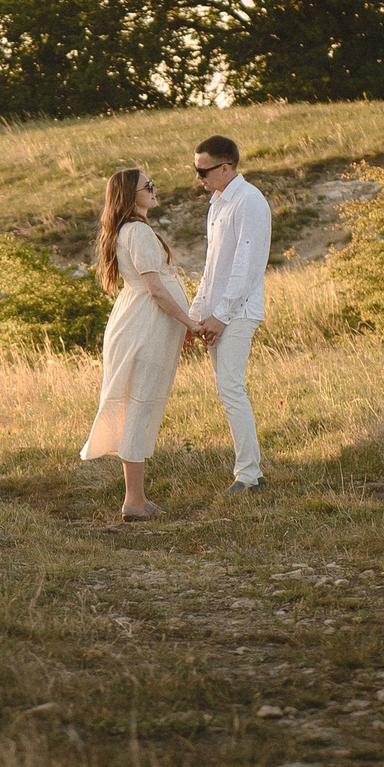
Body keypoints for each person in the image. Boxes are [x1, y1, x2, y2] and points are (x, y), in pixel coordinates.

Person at [79, 167, 202, 520]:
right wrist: (190, 323)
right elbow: (156, 289)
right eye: (148, 186)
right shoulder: (138, 232)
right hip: (144, 326)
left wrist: (181, 326)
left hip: (142, 323)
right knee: (139, 406)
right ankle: (134, 501)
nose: (154, 189)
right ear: (129, 196)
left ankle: (137, 498)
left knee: (140, 405)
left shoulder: (131, 230)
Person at [188, 134, 271, 492]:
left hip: (238, 311)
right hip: (216, 313)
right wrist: (193, 317)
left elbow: (246, 266)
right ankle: (250, 472)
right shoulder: (217, 204)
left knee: (231, 388)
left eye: (203, 171)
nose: (199, 177)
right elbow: (212, 269)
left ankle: (249, 476)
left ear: (226, 168)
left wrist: (221, 315)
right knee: (227, 390)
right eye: (196, 170)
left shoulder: (249, 201)